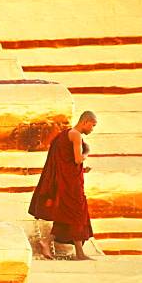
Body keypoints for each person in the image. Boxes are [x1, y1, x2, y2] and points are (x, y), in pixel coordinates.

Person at [29, 111, 97, 261]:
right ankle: (79, 253)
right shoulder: (76, 135)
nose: (92, 129)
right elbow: (78, 159)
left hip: (68, 182)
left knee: (68, 216)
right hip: (71, 186)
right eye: (93, 125)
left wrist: (81, 170)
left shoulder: (64, 135)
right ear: (85, 121)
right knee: (77, 214)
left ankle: (46, 242)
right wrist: (87, 151)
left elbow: (68, 162)